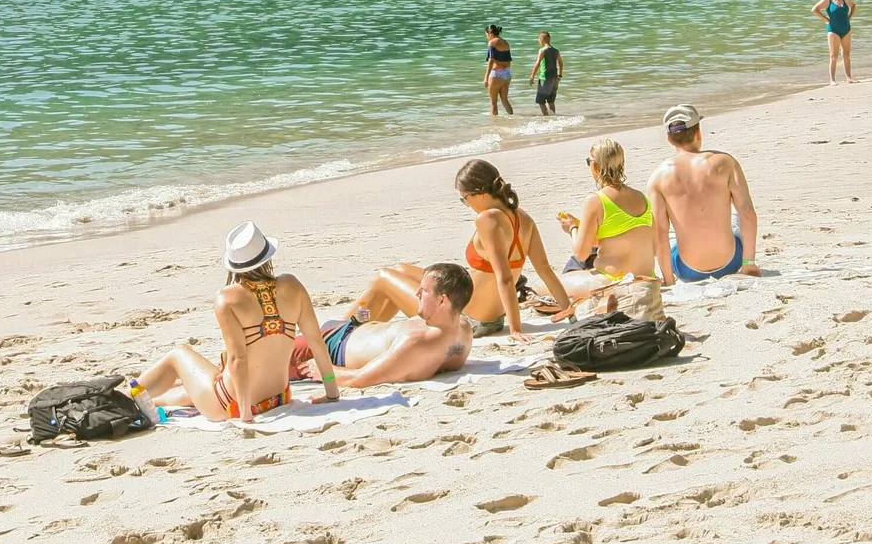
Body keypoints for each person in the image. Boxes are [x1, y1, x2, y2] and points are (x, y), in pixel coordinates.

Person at [349, 160, 574, 339]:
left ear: (480, 193)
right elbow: (545, 270)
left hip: (465, 317)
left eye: (465, 199)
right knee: (399, 270)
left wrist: (515, 330)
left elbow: (505, 278)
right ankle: (362, 327)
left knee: (384, 278)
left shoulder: (487, 219)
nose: (467, 204)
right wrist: (568, 310)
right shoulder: (523, 218)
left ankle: (341, 333)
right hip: (491, 318)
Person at [136, 221, 338, 421]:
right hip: (279, 398)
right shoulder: (292, 285)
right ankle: (140, 400)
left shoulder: (227, 298)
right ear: (267, 255)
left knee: (178, 355)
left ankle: (125, 397)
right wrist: (331, 393)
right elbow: (316, 342)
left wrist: (245, 415)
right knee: (198, 383)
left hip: (232, 405)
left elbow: (238, 359)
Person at [290, 262, 474, 387]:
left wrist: (324, 371)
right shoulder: (463, 328)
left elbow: (359, 379)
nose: (417, 293)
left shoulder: (417, 342)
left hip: (327, 347)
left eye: (424, 291)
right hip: (351, 329)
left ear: (443, 300)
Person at [648, 106, 760, 284]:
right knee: (739, 212)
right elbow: (749, 214)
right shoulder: (726, 162)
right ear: (698, 132)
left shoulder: (658, 177)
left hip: (687, 270)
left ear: (669, 139)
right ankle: (745, 260)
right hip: (731, 262)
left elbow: (659, 234)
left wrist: (669, 280)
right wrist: (748, 264)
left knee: (668, 231)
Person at [557, 138, 665, 320]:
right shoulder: (642, 198)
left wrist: (573, 228)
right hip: (647, 278)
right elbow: (654, 248)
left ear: (595, 167)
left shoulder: (595, 201)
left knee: (547, 286)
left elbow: (581, 253)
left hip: (611, 280)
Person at [812, 0, 857, 85]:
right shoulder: (827, 0)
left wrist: (849, 17)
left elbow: (853, 5)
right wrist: (826, 20)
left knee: (846, 54)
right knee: (833, 56)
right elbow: (814, 10)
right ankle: (832, 80)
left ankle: (849, 78)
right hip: (833, 30)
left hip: (846, 29)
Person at [529, 30, 563, 115]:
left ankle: (547, 118)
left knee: (541, 101)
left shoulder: (542, 50)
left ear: (541, 40)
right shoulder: (556, 51)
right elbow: (561, 64)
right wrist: (559, 76)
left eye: (538, 39)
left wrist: (532, 76)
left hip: (545, 78)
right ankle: (553, 117)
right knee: (551, 101)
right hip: (554, 79)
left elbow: (537, 64)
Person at [484, 23, 514, 116]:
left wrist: (486, 77)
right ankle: (512, 117)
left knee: (493, 102)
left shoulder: (492, 43)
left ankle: (494, 126)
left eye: (486, 34)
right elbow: (508, 60)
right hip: (507, 73)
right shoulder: (505, 42)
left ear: (489, 33)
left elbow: (491, 61)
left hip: (497, 74)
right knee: (504, 99)